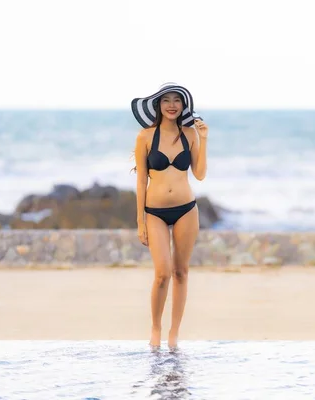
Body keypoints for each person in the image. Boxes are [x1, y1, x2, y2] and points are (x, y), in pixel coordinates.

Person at [130, 82, 208, 349]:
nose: (172, 105)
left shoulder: (189, 134)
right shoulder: (145, 136)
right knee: (162, 274)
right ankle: (155, 328)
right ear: (158, 105)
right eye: (167, 100)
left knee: (181, 272)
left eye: (177, 100)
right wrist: (140, 221)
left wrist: (204, 138)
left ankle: (174, 334)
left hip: (187, 208)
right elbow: (141, 181)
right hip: (155, 213)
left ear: (183, 105)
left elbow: (199, 173)